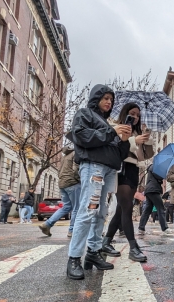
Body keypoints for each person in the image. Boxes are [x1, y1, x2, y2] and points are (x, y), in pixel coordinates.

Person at [65, 84, 131, 280]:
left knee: (101, 212)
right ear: (96, 99)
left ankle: (92, 253)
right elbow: (82, 136)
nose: (109, 102)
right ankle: (74, 257)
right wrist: (112, 131)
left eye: (111, 99)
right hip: (93, 166)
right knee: (88, 209)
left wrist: (124, 140)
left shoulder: (108, 122)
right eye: (105, 98)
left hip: (110, 170)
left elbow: (120, 153)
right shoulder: (85, 114)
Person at [102, 103, 154, 262]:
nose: (136, 117)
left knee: (120, 209)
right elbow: (115, 145)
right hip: (120, 169)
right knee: (127, 207)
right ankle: (133, 247)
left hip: (133, 170)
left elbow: (145, 156)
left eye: (138, 115)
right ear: (125, 113)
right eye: (132, 113)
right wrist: (133, 140)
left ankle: (106, 241)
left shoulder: (138, 131)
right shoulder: (116, 126)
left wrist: (146, 140)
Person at [39, 145, 81, 238]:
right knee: (76, 208)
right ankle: (72, 231)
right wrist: (79, 180)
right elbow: (75, 169)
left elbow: (59, 171)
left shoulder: (65, 155)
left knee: (66, 207)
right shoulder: (76, 153)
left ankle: (47, 224)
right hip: (72, 183)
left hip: (62, 184)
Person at [137, 165, 173, 236]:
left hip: (150, 190)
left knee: (147, 209)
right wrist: (163, 174)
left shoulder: (152, 167)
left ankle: (141, 228)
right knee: (160, 208)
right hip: (153, 190)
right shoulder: (154, 166)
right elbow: (158, 176)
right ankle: (165, 228)